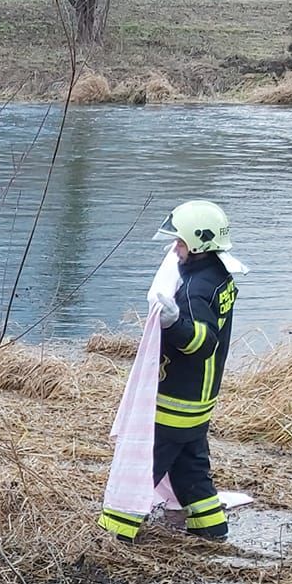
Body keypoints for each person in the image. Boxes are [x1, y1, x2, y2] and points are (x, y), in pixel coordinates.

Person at [98, 198, 241, 544]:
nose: (174, 248)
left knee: (142, 466)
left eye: (179, 242)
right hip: (199, 402)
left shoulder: (196, 290)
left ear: (197, 243)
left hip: (177, 403)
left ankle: (114, 535)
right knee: (190, 467)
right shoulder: (219, 277)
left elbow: (203, 342)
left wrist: (174, 323)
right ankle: (211, 528)